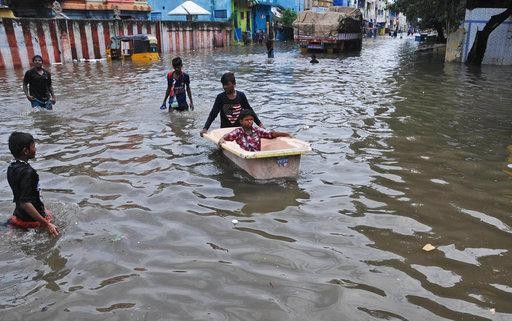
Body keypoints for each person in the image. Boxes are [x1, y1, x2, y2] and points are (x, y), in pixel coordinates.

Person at [6, 132, 59, 236]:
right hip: (30, 220)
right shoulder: (29, 172)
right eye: (33, 146)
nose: (36, 149)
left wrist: (42, 209)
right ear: (26, 151)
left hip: (19, 215)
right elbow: (25, 203)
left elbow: (20, 197)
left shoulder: (11, 167)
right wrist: (46, 224)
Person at [218, 109, 291, 152]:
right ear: (241, 122)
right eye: (246, 120)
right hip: (246, 155)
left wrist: (285, 134)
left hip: (257, 155)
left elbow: (271, 134)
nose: (249, 121)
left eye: (251, 119)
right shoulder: (238, 132)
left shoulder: (257, 131)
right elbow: (227, 136)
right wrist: (222, 139)